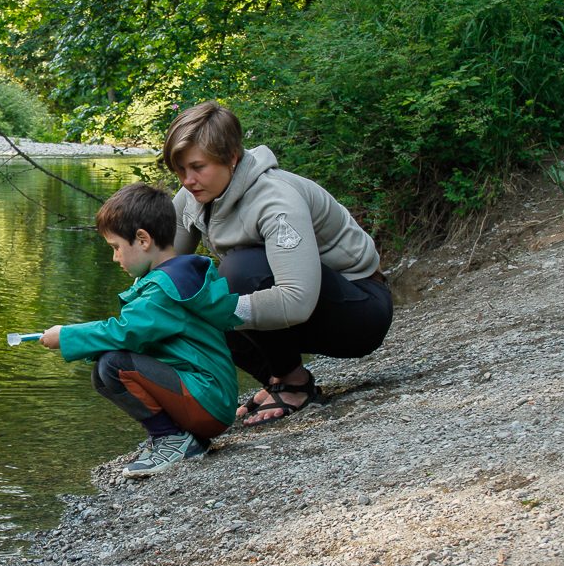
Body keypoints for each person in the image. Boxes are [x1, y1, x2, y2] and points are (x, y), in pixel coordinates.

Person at [163, 101, 393, 426]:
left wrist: (216, 309)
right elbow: (166, 266)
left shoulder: (276, 200)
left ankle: (294, 383)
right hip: (306, 307)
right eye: (180, 170)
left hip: (359, 309)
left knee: (235, 276)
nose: (187, 180)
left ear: (232, 158)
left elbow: (297, 302)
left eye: (197, 167)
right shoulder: (195, 194)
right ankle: (278, 380)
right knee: (187, 292)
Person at [39, 182, 244, 478]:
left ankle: (172, 441)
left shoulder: (163, 290)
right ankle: (174, 436)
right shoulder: (174, 278)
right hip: (208, 398)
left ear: (143, 239)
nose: (114, 258)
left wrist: (68, 336)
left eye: (116, 248)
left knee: (113, 365)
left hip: (208, 402)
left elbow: (125, 332)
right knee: (103, 369)